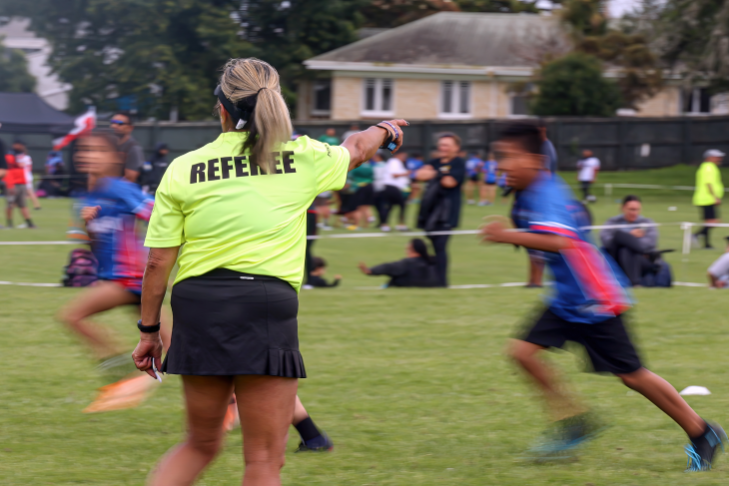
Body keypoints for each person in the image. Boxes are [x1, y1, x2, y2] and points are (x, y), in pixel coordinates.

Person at [130, 57, 407, 485]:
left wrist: (149, 331)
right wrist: (385, 131)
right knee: (262, 461)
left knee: (199, 444)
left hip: (198, 306)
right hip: (265, 304)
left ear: (221, 108)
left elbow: (157, 262)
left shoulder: (183, 168)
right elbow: (357, 147)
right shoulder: (304, 157)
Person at [482, 121, 726, 469]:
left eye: (508, 157)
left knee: (632, 375)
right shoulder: (530, 185)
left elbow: (561, 241)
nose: (501, 165)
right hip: (567, 298)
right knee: (522, 353)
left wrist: (506, 235)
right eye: (498, 157)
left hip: (595, 298)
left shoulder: (546, 194)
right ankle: (574, 422)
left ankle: (703, 431)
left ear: (534, 161)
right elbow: (541, 153)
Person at [57, 130, 172, 413]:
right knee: (178, 345)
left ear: (116, 158)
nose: (88, 155)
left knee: (71, 316)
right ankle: (232, 399)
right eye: (84, 150)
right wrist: (87, 225)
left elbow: (160, 216)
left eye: (97, 150)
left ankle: (121, 377)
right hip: (121, 279)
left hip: (130, 278)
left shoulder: (120, 189)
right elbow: (95, 247)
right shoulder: (86, 198)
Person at [415, 133, 466, 287]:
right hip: (430, 211)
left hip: (447, 212)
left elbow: (449, 182)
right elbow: (420, 174)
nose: (442, 148)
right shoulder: (434, 161)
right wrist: (440, 173)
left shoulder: (459, 163)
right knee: (434, 245)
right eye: (441, 145)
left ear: (456, 148)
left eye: (446, 145)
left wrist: (435, 173)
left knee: (440, 246)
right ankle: (433, 278)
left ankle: (442, 282)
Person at [600, 195, 659, 287]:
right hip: (616, 257)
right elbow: (606, 241)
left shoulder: (647, 222)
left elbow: (651, 242)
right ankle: (635, 283)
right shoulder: (612, 222)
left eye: (637, 209)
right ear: (623, 208)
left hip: (641, 259)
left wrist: (629, 243)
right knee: (618, 235)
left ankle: (633, 282)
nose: (634, 212)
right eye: (631, 209)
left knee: (626, 250)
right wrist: (630, 235)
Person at [358, 238, 439, 288]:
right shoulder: (432, 262)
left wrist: (370, 271)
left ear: (412, 250)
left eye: (407, 249)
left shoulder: (407, 263)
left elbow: (387, 267)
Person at [693, 149, 725, 249]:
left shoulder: (708, 167)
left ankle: (706, 244)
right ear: (710, 157)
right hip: (707, 199)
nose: (719, 159)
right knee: (713, 221)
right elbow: (709, 183)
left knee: (709, 222)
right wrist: (715, 197)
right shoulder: (709, 168)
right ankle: (695, 236)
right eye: (717, 157)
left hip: (706, 199)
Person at [376, 150, 410, 232]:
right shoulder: (394, 162)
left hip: (392, 187)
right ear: (399, 155)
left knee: (390, 206)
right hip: (391, 187)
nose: (405, 158)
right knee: (401, 205)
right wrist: (407, 173)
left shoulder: (396, 162)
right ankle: (400, 224)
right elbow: (394, 175)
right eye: (403, 156)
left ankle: (385, 224)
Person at [4, 148, 35, 228]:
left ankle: (29, 223)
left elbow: (23, 164)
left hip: (21, 184)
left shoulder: (19, 158)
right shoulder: (8, 158)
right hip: (12, 184)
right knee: (10, 205)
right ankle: (9, 224)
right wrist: (10, 185)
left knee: (23, 205)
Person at [110, 111, 144, 183]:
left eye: (120, 123)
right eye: (113, 122)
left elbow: (130, 178)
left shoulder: (133, 148)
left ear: (130, 128)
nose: (114, 126)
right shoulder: (109, 145)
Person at [12, 139, 41, 209]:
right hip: (25, 176)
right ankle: (15, 204)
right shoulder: (26, 157)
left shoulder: (23, 158)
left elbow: (21, 165)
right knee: (18, 191)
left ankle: (37, 205)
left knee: (29, 191)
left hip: (25, 176)